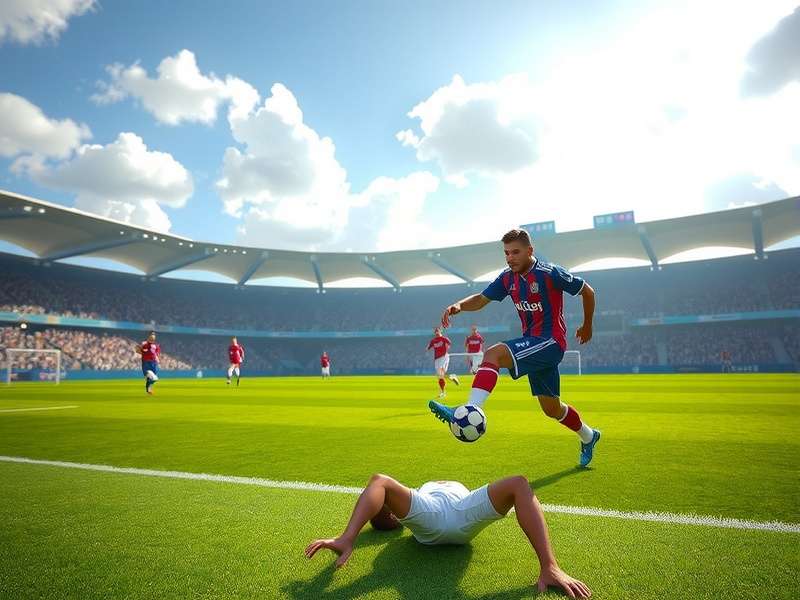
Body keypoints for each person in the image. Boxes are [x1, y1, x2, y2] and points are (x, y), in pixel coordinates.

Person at [430, 228, 601, 467]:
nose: (510, 258)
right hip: (534, 343)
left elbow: (587, 291)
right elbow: (482, 298)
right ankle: (589, 435)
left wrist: (587, 325)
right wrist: (459, 305)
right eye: (507, 253)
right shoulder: (507, 278)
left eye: (516, 252)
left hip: (550, 342)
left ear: (530, 251)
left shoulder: (550, 273)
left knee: (493, 354)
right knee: (552, 408)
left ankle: (468, 409)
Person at [305, 473, 592, 599]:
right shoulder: (413, 508)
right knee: (518, 484)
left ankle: (347, 539)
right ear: (392, 518)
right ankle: (549, 566)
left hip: (435, 520)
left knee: (381, 482)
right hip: (458, 514)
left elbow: (381, 494)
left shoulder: (412, 510)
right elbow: (379, 491)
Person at [426, 327, 459, 398]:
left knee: (440, 374)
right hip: (437, 359)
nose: (436, 332)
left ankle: (443, 392)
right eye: (435, 331)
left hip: (444, 357)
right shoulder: (433, 341)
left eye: (437, 331)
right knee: (440, 376)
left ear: (440, 331)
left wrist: (445, 348)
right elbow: (428, 347)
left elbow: (449, 344)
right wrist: (428, 347)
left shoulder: (444, 339)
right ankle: (451, 378)